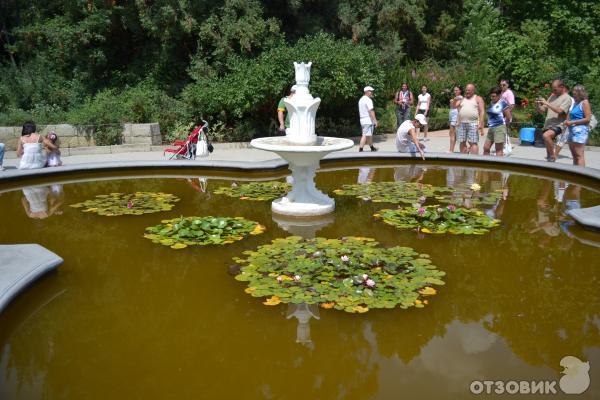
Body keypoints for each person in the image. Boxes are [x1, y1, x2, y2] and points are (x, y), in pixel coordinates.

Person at [536, 79, 571, 162]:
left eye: (555, 89)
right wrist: (537, 105)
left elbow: (560, 111)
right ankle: (550, 161)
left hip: (558, 125)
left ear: (562, 87)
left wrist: (547, 103)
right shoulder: (552, 96)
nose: (553, 91)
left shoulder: (567, 98)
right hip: (548, 125)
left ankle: (553, 156)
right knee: (548, 152)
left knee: (546, 136)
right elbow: (542, 110)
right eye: (553, 89)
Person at [564, 84, 592, 167]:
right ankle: (575, 174)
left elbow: (587, 119)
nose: (573, 93)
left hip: (580, 132)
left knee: (579, 155)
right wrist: (567, 122)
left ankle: (582, 176)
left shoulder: (585, 102)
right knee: (574, 156)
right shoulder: (575, 103)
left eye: (575, 91)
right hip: (572, 131)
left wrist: (572, 122)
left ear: (580, 92)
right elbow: (570, 116)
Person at [456, 83, 485, 154]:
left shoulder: (478, 98)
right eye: (466, 90)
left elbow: (482, 111)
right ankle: (463, 159)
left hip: (473, 123)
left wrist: (481, 124)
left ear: (473, 90)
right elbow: (457, 109)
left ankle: (475, 160)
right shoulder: (462, 99)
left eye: (469, 90)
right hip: (462, 123)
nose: (467, 92)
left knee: (473, 142)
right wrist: (458, 121)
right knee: (462, 141)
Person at [483, 87, 510, 157]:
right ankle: (485, 165)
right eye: (491, 96)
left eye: (494, 96)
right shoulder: (491, 103)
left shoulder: (502, 103)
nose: (492, 98)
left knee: (498, 150)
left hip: (499, 128)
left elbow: (508, 116)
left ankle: (498, 167)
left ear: (499, 95)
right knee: (486, 147)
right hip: (491, 128)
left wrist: (505, 126)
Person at [553, 84, 575, 160]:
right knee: (565, 139)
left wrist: (566, 122)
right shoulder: (562, 98)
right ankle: (575, 154)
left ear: (565, 90)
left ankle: (554, 156)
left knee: (562, 139)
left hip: (568, 122)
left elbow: (570, 111)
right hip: (565, 122)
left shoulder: (570, 99)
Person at [358, 86, 378, 152]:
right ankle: (360, 149)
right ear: (366, 92)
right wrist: (375, 121)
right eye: (370, 91)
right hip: (367, 120)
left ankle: (372, 147)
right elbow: (371, 111)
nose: (372, 92)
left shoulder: (361, 99)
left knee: (368, 135)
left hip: (362, 119)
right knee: (365, 135)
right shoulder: (368, 100)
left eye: (372, 91)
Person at [448, 85, 463, 153]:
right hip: (452, 116)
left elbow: (456, 106)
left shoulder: (460, 97)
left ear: (460, 91)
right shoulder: (456, 98)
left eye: (457, 90)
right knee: (453, 134)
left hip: (455, 116)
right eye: (454, 90)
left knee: (452, 134)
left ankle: (451, 150)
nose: (455, 91)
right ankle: (452, 149)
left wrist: (453, 100)